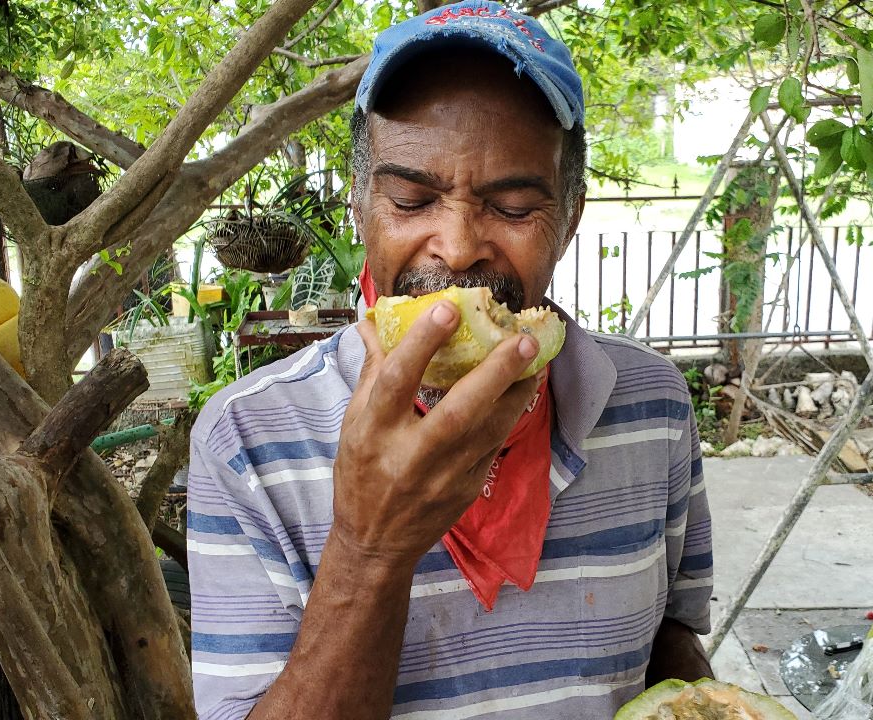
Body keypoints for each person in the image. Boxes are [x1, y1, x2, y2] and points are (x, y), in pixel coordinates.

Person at [188, 3, 713, 718]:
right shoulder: (245, 439)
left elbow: (671, 640)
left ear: (570, 219)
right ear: (360, 208)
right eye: (411, 199)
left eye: (516, 206)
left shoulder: (654, 403)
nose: (458, 245)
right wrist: (370, 547)